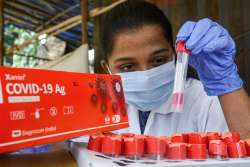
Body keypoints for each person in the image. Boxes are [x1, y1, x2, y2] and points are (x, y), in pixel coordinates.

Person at [95, 0, 232, 136]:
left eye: (158, 60)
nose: (146, 77)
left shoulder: (206, 102)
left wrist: (225, 79)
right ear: (107, 69)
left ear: (174, 54)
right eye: (128, 67)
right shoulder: (97, 109)